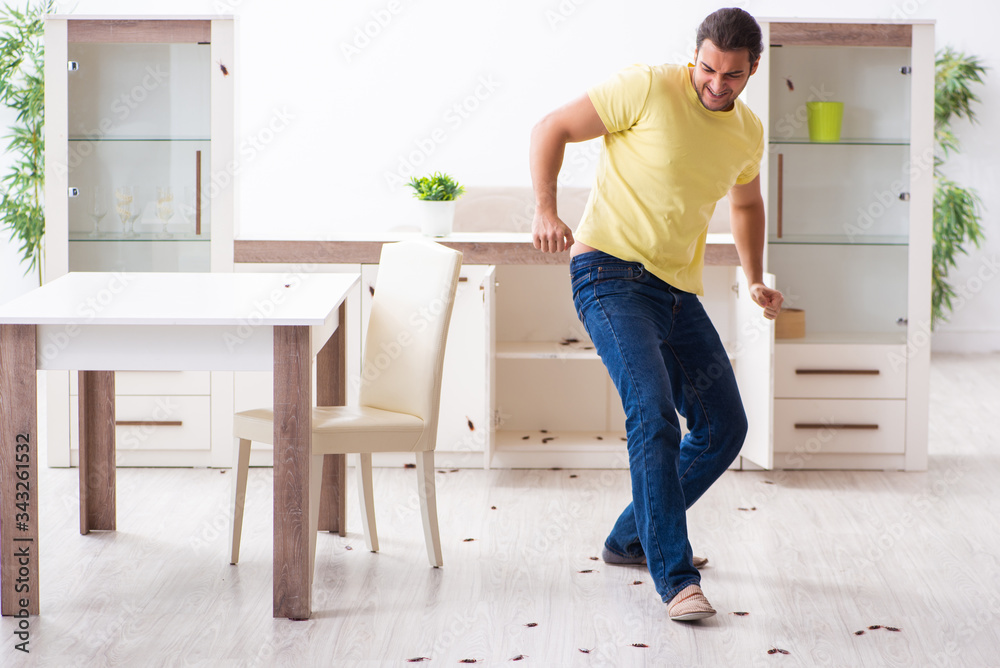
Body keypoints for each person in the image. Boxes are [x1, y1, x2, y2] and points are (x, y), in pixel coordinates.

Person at [528, 7, 783, 622]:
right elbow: (551, 126)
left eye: (733, 75)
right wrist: (545, 209)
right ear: (694, 55)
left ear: (753, 70)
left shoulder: (747, 132)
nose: (716, 84)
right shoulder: (646, 85)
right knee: (653, 411)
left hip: (675, 290)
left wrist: (754, 278)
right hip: (608, 273)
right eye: (708, 68)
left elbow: (747, 205)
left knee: (725, 427)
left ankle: (628, 538)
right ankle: (675, 579)